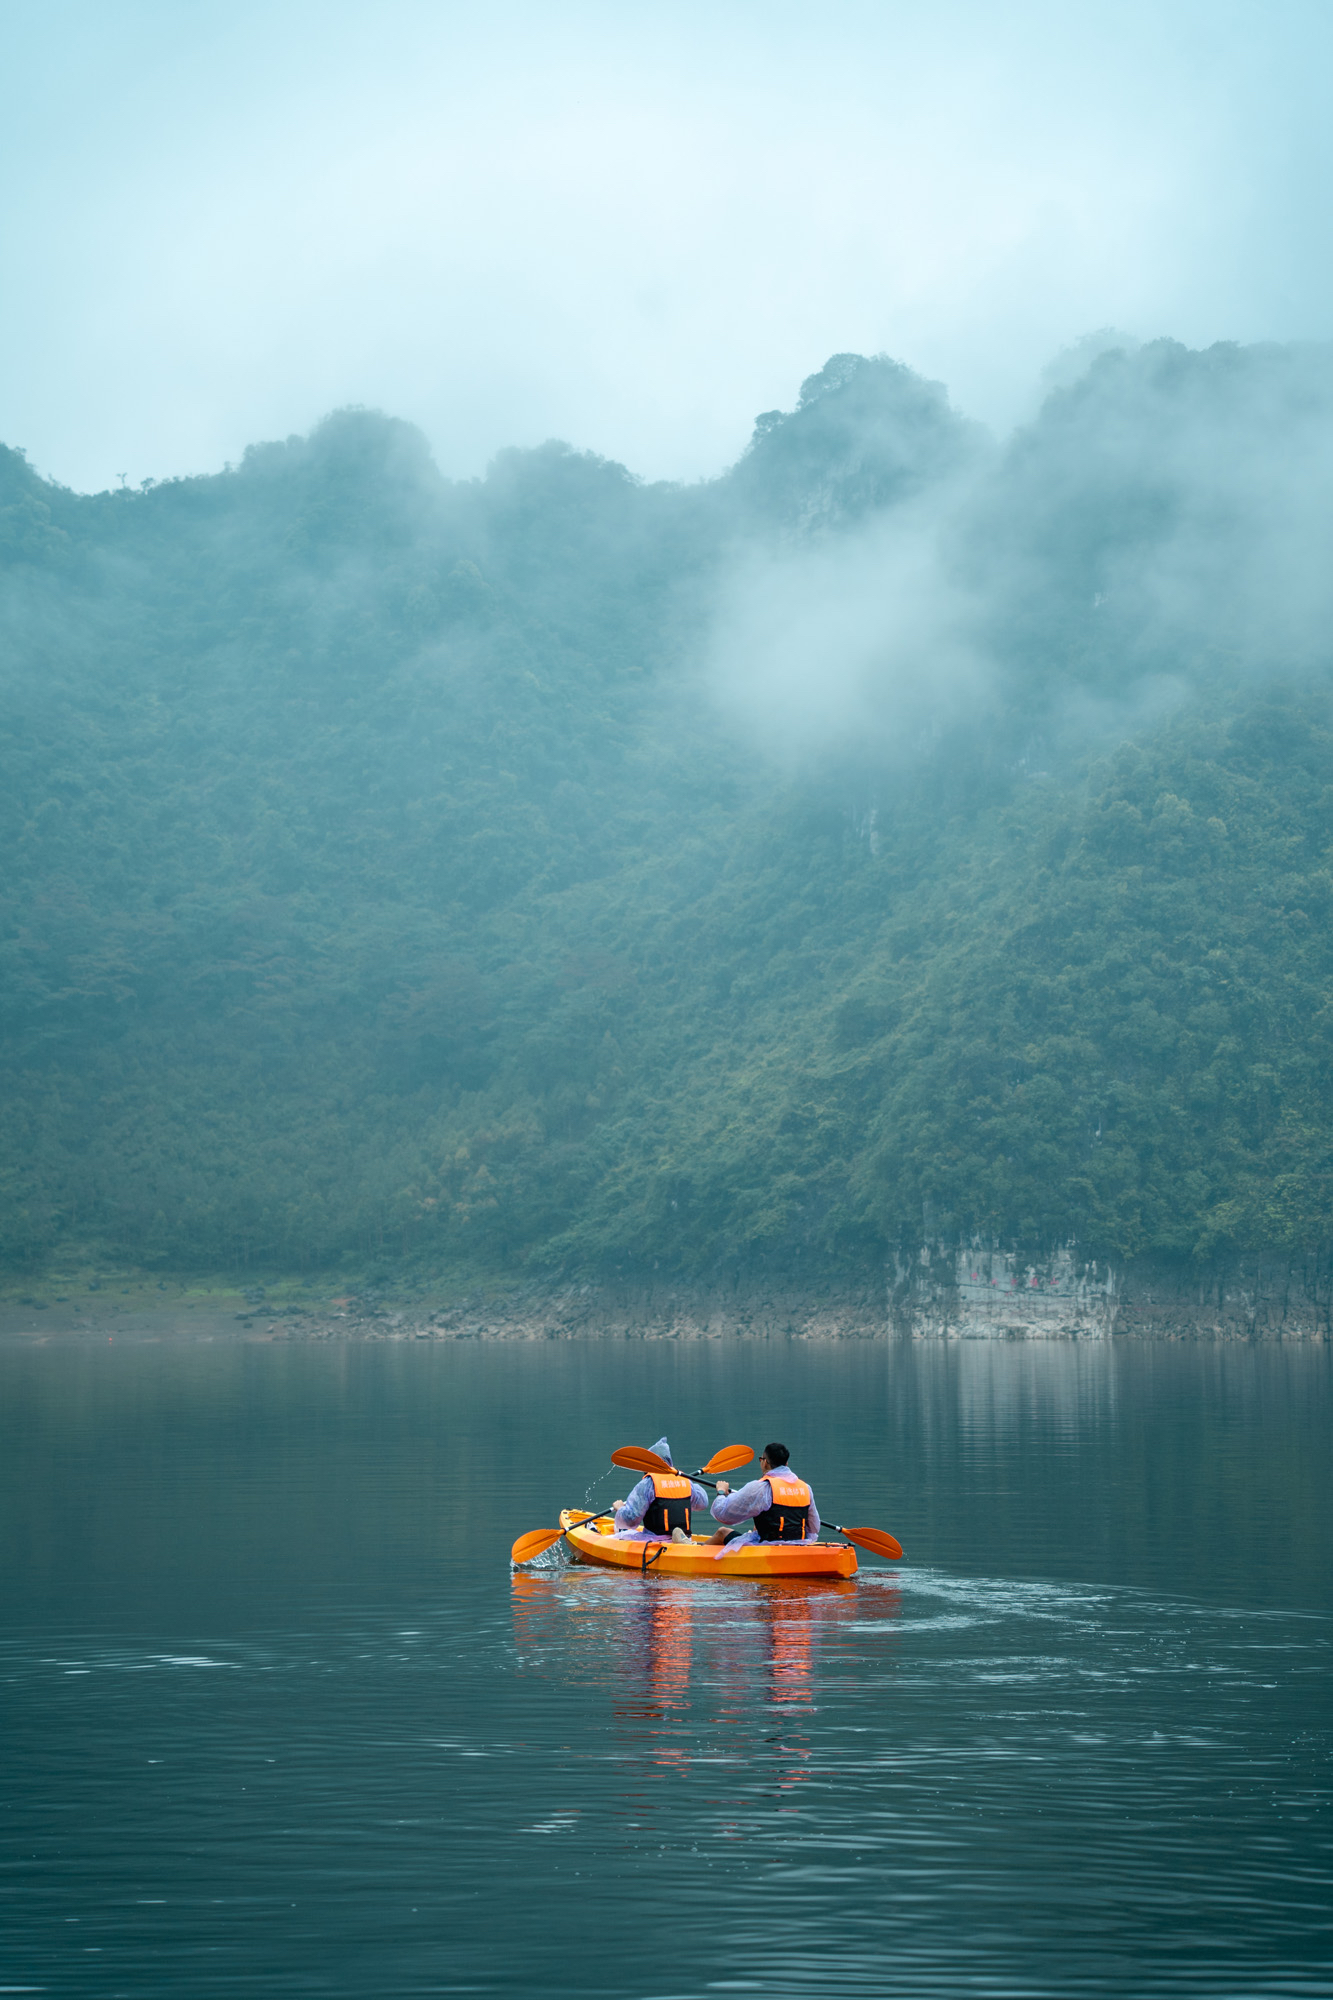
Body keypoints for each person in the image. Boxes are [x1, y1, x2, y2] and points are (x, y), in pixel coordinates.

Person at [707, 1442, 820, 1546]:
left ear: (765, 1462)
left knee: (722, 1532)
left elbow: (723, 1514)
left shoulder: (760, 1488)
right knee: (757, 1528)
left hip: (768, 1548)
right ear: (786, 1463)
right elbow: (814, 1527)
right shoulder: (805, 1488)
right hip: (800, 1545)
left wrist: (721, 1492)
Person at [611, 1437, 711, 1543]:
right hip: (684, 1538)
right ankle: (681, 1540)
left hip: (654, 1541)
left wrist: (620, 1509)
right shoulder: (685, 1481)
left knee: (615, 1537)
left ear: (649, 1463)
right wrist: (688, 1480)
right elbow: (703, 1503)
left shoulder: (647, 1484)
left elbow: (631, 1521)